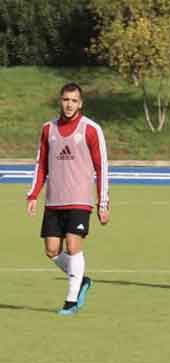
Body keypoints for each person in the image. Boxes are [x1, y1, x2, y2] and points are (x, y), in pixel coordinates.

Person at [26, 82, 110, 315]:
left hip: (80, 199)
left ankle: (71, 301)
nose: (69, 104)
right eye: (65, 99)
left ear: (80, 103)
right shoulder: (47, 129)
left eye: (74, 100)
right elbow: (41, 165)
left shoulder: (91, 129)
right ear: (60, 101)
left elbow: (102, 166)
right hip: (54, 201)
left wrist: (103, 202)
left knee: (73, 246)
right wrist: (33, 194)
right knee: (52, 250)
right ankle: (81, 279)